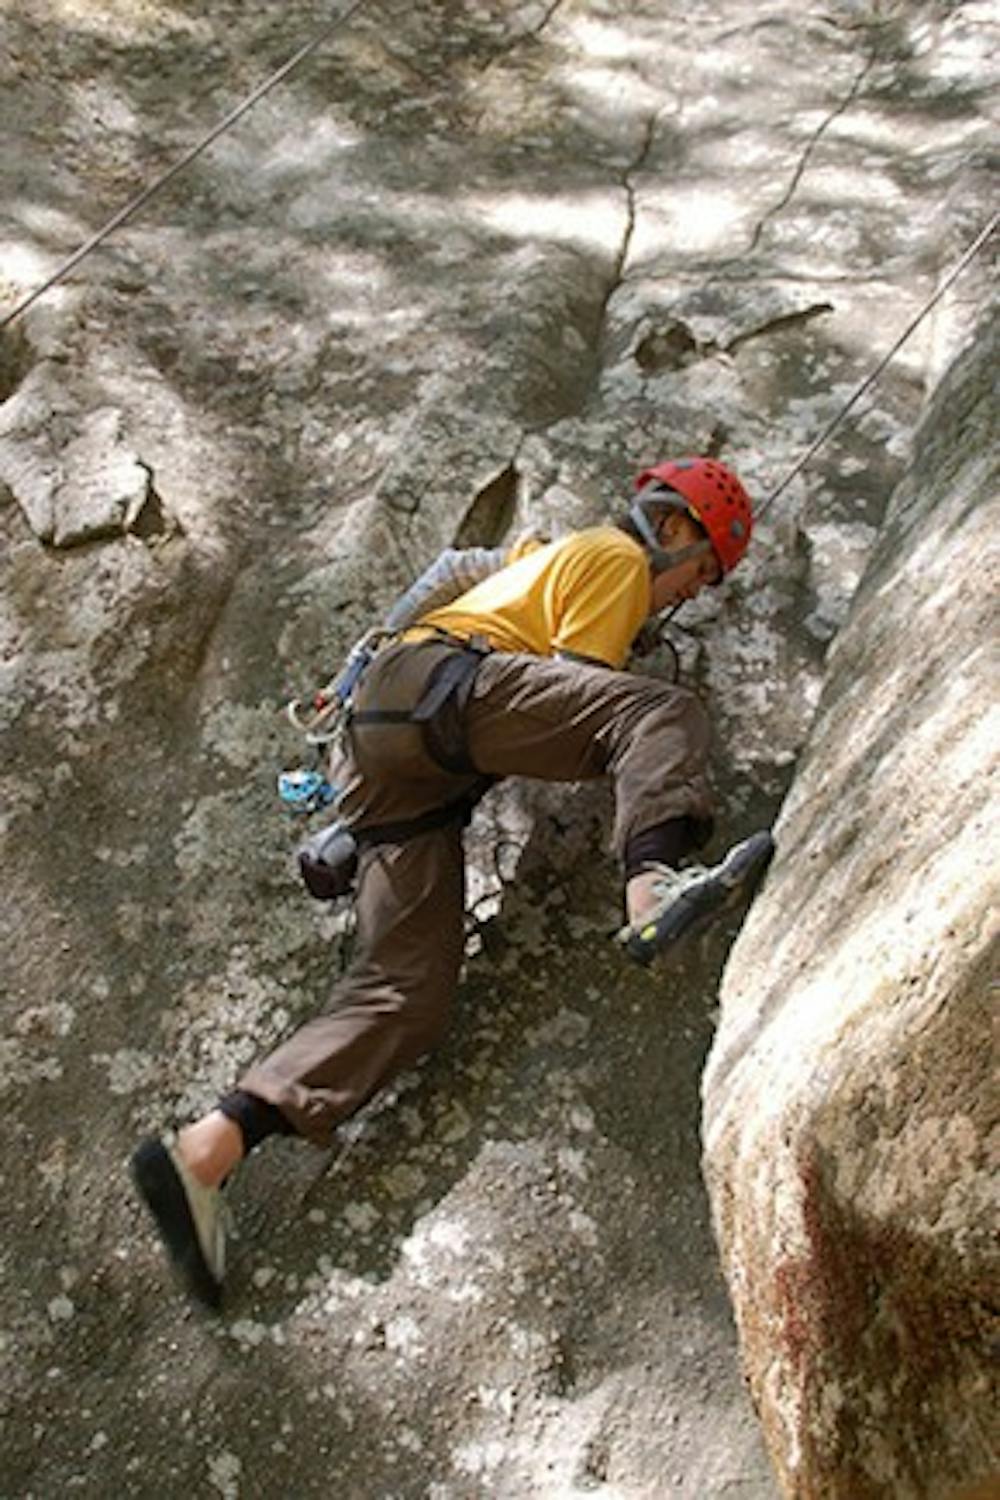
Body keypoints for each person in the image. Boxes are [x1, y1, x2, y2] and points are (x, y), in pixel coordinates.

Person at [131, 456, 775, 1310]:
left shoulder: (544, 559)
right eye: (702, 574)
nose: (692, 594)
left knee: (408, 993)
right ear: (679, 529)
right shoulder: (618, 558)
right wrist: (633, 669)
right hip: (446, 691)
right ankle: (651, 888)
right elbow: (585, 697)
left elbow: (475, 599)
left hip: (390, 743)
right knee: (660, 712)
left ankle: (207, 1150)